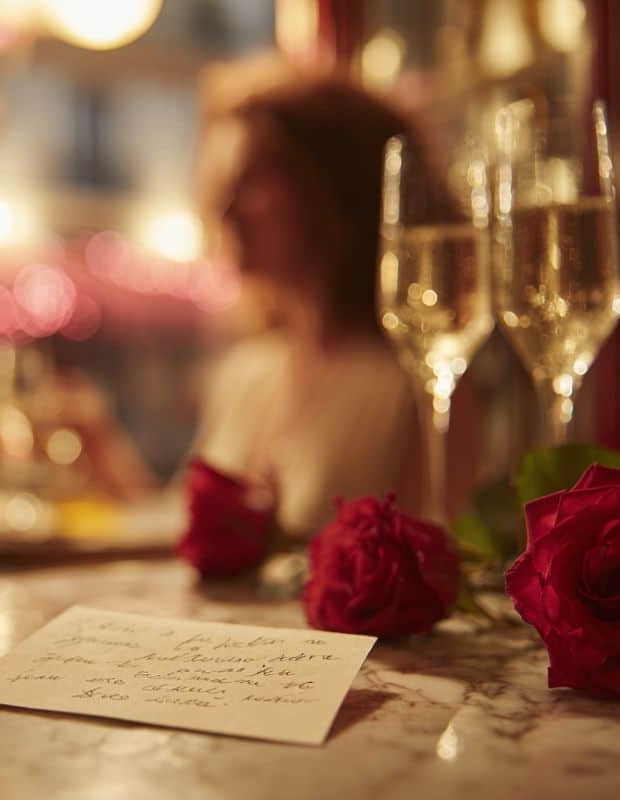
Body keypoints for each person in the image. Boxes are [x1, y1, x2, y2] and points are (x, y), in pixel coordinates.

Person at [189, 70, 476, 541]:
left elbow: (438, 559)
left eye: (251, 179)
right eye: (222, 181)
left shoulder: (418, 386)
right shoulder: (247, 373)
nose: (224, 208)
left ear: (333, 186)